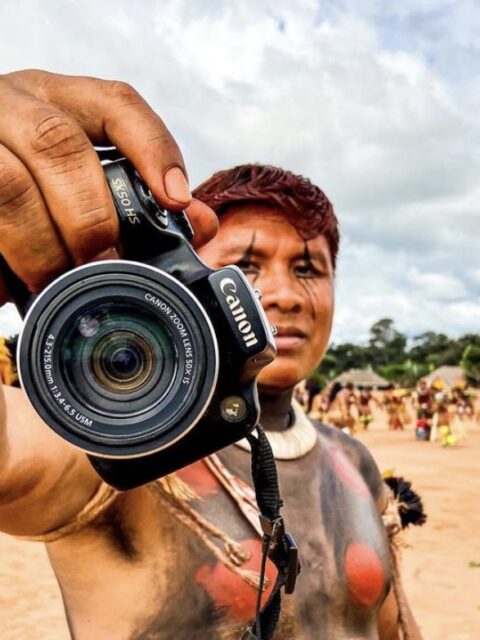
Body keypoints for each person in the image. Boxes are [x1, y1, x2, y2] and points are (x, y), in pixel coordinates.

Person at [0, 69, 424, 639]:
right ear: (170, 282)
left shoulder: (354, 460)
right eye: (245, 267)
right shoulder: (112, 446)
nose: (282, 294)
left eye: (308, 268)